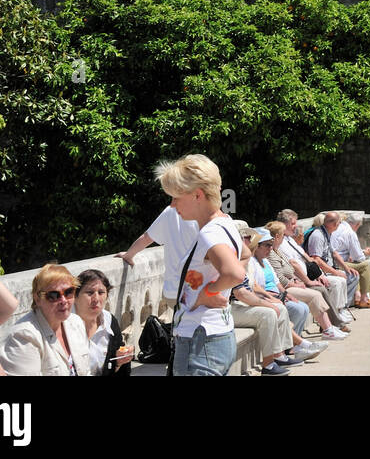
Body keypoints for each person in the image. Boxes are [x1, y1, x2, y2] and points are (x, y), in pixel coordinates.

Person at [155, 153, 245, 376]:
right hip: (217, 334)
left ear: (197, 195)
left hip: (200, 339)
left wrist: (208, 293)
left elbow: (234, 272)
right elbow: (246, 254)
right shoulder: (227, 224)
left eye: (176, 197)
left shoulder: (210, 233)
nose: (173, 205)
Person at [232, 235, 324, 374]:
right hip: (230, 306)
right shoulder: (235, 261)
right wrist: (267, 302)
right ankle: (268, 365)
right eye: (246, 237)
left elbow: (254, 285)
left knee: (279, 307)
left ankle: (280, 355)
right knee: (269, 313)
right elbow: (241, 294)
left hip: (241, 302)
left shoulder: (243, 261)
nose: (248, 240)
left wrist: (270, 298)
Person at [0, 264, 92, 376]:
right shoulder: (23, 337)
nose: (63, 300)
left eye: (68, 292)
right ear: (37, 299)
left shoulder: (76, 323)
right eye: (53, 295)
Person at [260, 222, 349, 337]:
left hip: (292, 283)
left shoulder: (277, 251)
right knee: (316, 294)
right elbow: (280, 278)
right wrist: (297, 284)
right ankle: (329, 328)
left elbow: (290, 267)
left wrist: (297, 281)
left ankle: (330, 325)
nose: (285, 237)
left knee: (320, 289)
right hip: (286, 287)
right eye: (283, 235)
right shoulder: (271, 254)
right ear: (277, 236)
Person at [119, 203, 199, 315]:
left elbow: (147, 237)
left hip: (172, 292)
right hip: (198, 291)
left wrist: (128, 255)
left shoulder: (171, 210)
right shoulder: (205, 214)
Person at [276, 208, 352, 320]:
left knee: (340, 279)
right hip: (300, 278)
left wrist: (319, 274)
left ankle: (339, 311)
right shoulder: (281, 242)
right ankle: (334, 318)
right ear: (283, 224)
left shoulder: (289, 239)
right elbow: (296, 263)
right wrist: (309, 281)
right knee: (334, 283)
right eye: (292, 224)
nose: (295, 226)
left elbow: (307, 257)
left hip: (309, 274)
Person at [311, 210, 370, 308]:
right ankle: (358, 300)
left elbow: (334, 253)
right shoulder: (319, 235)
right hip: (326, 269)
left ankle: (345, 305)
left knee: (353, 274)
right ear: (334, 224)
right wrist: (335, 272)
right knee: (365, 264)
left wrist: (346, 268)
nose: (340, 225)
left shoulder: (328, 233)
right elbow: (316, 259)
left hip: (335, 264)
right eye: (339, 223)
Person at [74, 269, 133, 376]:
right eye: (89, 293)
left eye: (101, 292)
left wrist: (119, 362)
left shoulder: (110, 321)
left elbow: (121, 372)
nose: (96, 299)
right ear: (75, 296)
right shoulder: (62, 325)